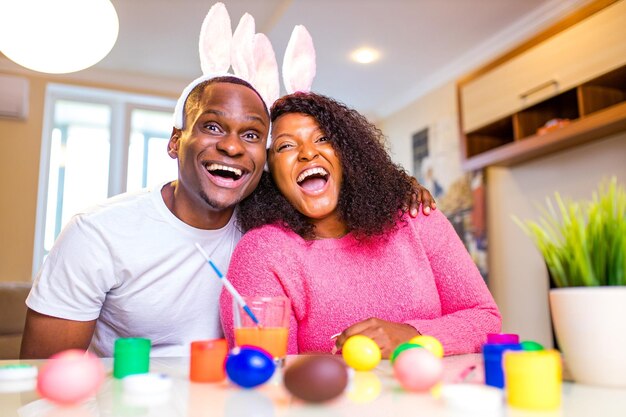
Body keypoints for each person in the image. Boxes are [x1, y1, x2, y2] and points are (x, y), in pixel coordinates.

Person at [220, 92, 501, 358]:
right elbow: (271, 378)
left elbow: (484, 317)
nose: (307, 153)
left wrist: (412, 337)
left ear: (348, 154)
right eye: (286, 145)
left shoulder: (415, 218)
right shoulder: (263, 253)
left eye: (323, 139)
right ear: (270, 171)